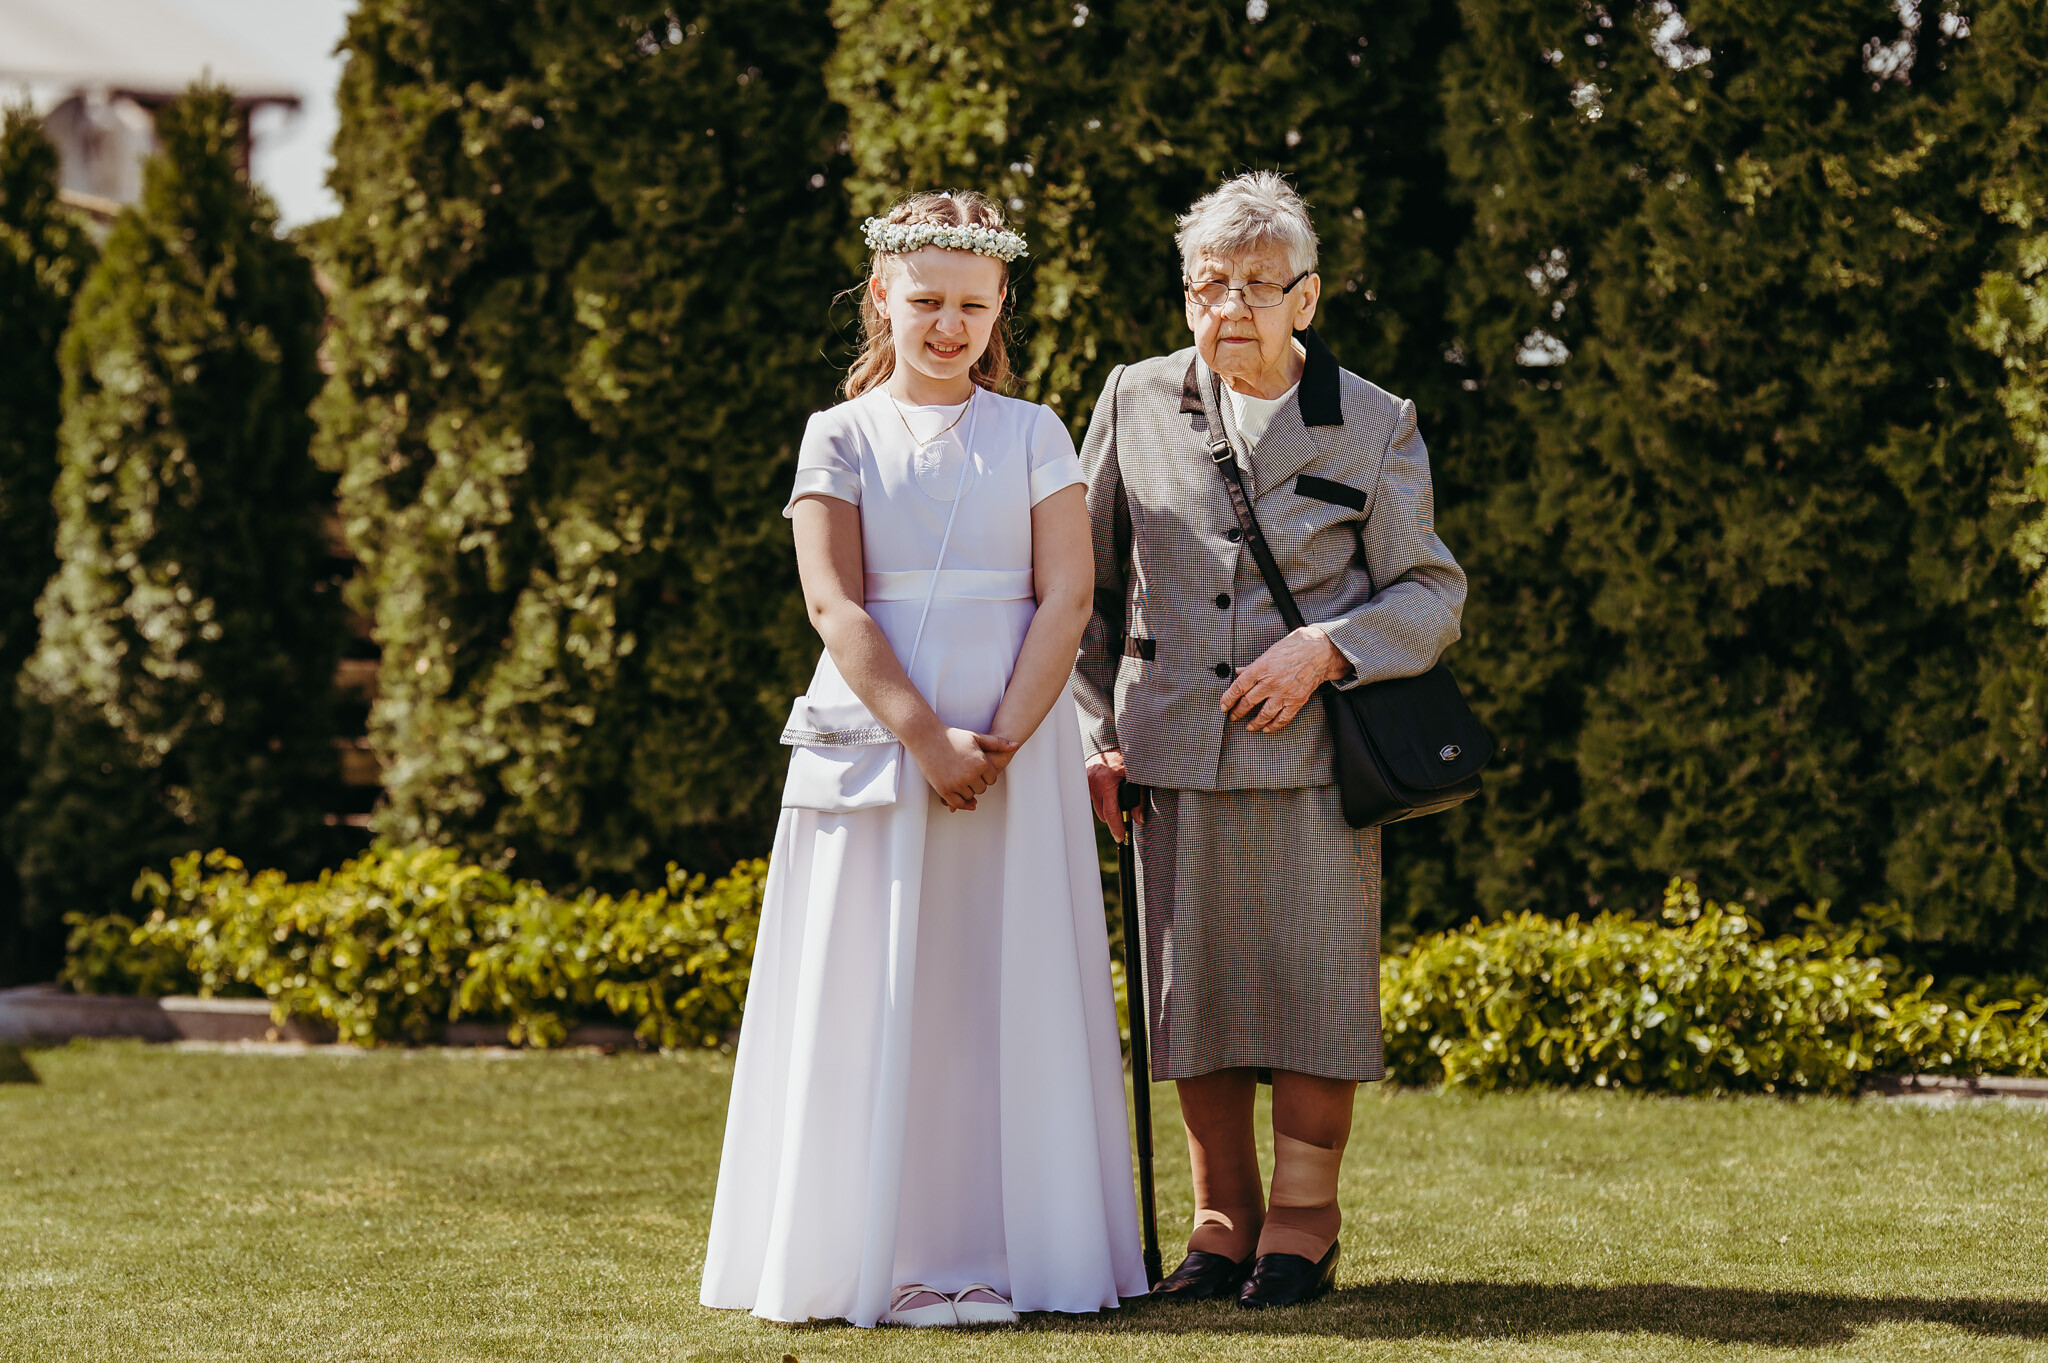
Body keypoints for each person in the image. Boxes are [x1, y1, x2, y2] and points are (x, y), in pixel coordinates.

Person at [700, 190, 1147, 1329]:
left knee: (1004, 976)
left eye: (971, 306)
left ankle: (1012, 1246)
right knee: (874, 976)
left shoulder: (1035, 431)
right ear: (881, 299)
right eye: (925, 301)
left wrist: (999, 741)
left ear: (998, 311)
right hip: (878, 731)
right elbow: (833, 601)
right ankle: (872, 1247)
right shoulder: (836, 435)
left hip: (1013, 735)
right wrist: (925, 738)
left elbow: (1068, 595)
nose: (947, 325)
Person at [1071, 172, 1467, 1309]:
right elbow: (1081, 589)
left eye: (1257, 284)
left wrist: (1325, 649)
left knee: (1312, 989)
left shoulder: (1375, 419)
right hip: (1166, 756)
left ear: (1307, 297)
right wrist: (1096, 734)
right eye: (1210, 285)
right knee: (1188, 992)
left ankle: (1302, 1220)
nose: (1231, 306)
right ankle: (1218, 1223)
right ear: (1185, 296)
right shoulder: (1135, 397)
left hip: (1311, 764)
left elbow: (1429, 592)